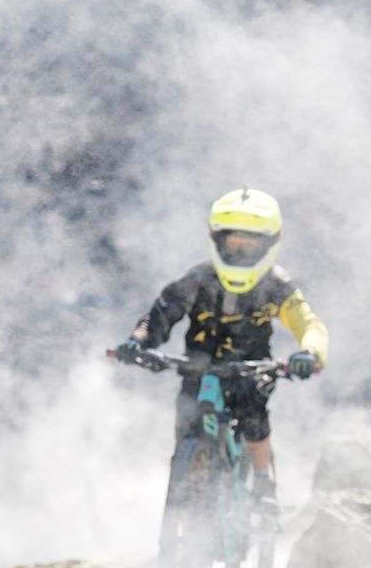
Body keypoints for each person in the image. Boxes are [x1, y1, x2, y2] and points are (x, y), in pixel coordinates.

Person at [115, 188, 327, 516]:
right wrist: (138, 341)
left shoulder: (277, 286)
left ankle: (264, 482)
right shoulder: (197, 280)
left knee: (254, 417)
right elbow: (160, 315)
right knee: (186, 426)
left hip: (251, 368)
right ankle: (186, 493)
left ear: (271, 243)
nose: (240, 252)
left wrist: (309, 353)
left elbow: (307, 324)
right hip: (197, 368)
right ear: (215, 238)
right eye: (233, 243)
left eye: (250, 245)